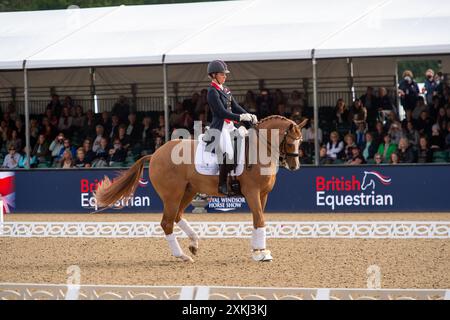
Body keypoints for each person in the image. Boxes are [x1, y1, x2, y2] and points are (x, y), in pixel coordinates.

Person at [204, 60, 257, 195]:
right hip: (220, 128)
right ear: (214, 75)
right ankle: (222, 183)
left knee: (243, 150)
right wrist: (240, 118)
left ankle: (237, 180)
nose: (225, 76)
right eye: (222, 74)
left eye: (225, 74)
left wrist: (248, 115)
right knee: (230, 156)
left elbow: (235, 107)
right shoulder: (212, 92)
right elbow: (221, 112)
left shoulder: (226, 89)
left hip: (230, 126)